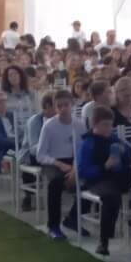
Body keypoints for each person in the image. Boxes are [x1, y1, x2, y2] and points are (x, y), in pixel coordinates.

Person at [77, 107, 131, 257]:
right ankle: (104, 241)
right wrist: (104, 167)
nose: (108, 128)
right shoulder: (88, 143)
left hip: (118, 177)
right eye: (104, 125)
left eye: (110, 124)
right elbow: (82, 171)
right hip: (97, 180)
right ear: (94, 124)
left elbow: (130, 154)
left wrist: (124, 152)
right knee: (112, 198)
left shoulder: (114, 139)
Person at [36, 91, 85, 240]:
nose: (63, 108)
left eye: (66, 105)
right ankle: (53, 225)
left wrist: (75, 169)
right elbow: (40, 155)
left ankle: (73, 218)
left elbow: (81, 150)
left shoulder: (79, 124)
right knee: (55, 183)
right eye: (59, 106)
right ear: (55, 108)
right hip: (53, 161)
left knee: (92, 179)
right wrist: (60, 164)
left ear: (72, 105)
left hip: (73, 162)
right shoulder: (49, 126)